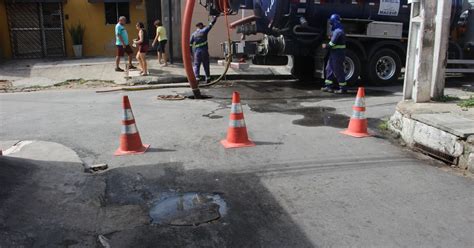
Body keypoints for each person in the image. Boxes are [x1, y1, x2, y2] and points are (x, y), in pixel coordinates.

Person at [321, 14, 347, 94]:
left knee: (338, 71)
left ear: (334, 22)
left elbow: (332, 44)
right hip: (334, 54)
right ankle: (328, 86)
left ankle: (343, 88)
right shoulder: (337, 31)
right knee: (329, 69)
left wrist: (326, 46)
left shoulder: (338, 31)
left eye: (331, 23)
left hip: (338, 54)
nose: (331, 24)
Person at [190, 16, 218, 84]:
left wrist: (191, 53)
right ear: (201, 26)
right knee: (206, 64)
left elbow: (190, 45)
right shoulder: (204, 31)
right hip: (204, 51)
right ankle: (208, 78)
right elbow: (211, 25)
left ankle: (197, 79)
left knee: (196, 65)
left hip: (197, 52)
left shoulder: (193, 34)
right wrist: (215, 18)